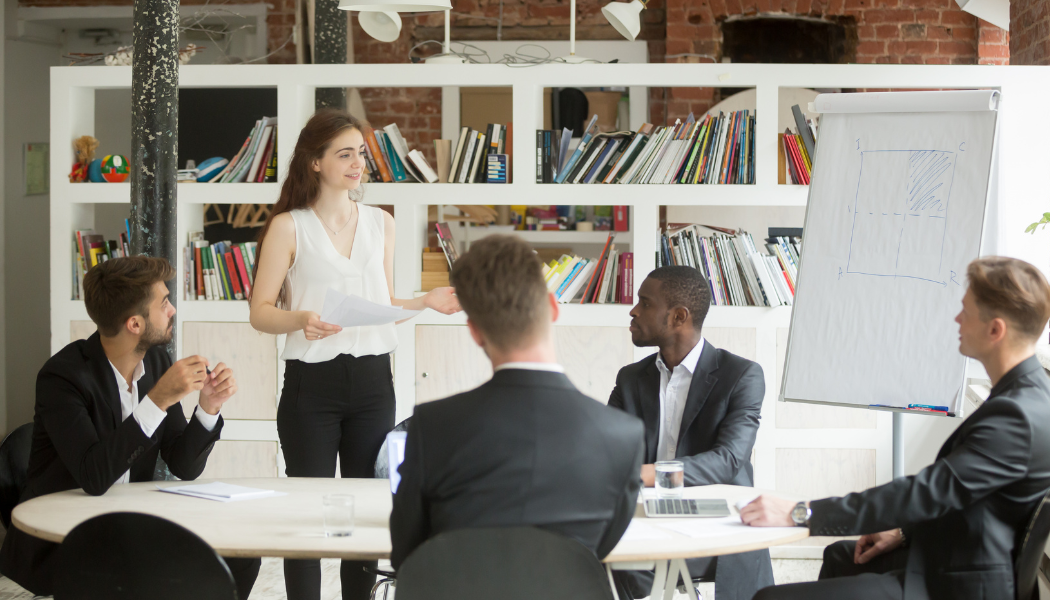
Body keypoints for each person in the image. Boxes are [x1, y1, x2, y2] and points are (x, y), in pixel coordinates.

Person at [741, 256, 1050, 600]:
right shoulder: (1028, 395)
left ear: (995, 330)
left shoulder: (1016, 418)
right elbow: (965, 497)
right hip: (959, 553)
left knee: (769, 598)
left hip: (958, 585)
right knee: (840, 556)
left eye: (966, 311)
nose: (957, 318)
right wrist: (903, 533)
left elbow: (925, 492)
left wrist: (801, 512)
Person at [248, 108, 460, 600]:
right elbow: (259, 312)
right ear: (315, 162)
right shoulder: (288, 227)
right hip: (310, 387)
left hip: (372, 384)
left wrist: (424, 301)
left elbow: (381, 305)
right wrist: (300, 320)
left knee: (365, 515)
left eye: (360, 154)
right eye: (344, 154)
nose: (357, 163)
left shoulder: (380, 223)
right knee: (307, 515)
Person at [0, 256, 260, 598]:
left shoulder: (154, 361)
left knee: (239, 557)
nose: (172, 311)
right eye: (164, 303)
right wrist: (156, 400)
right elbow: (94, 476)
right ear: (134, 324)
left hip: (127, 527)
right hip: (66, 541)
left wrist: (208, 408)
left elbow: (183, 465)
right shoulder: (62, 377)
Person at [389, 234, 645, 572]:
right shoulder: (623, 434)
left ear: (475, 331)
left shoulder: (433, 424)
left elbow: (407, 553)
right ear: (553, 308)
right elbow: (600, 551)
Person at [608, 266, 773, 600]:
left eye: (645, 302)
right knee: (592, 547)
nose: (633, 310)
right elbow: (604, 450)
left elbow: (727, 460)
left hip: (716, 518)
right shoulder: (630, 378)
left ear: (678, 317)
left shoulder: (741, 375)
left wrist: (648, 474)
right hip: (645, 515)